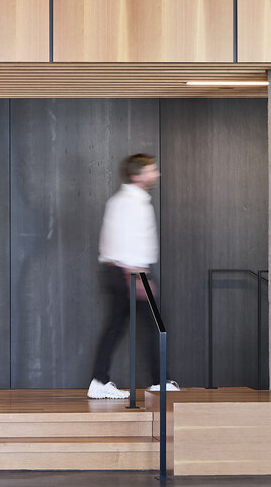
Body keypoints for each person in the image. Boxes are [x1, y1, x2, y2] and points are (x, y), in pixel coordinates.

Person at [87, 153, 175, 399]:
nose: (156, 174)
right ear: (137, 175)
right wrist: (136, 276)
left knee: (118, 325)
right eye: (151, 170)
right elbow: (124, 241)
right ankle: (159, 380)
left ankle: (100, 379)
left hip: (125, 271)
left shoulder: (124, 200)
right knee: (153, 323)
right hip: (132, 272)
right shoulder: (131, 202)